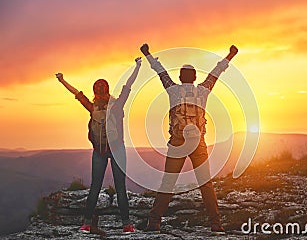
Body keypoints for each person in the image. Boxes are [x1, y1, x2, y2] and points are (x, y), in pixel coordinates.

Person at [140, 43, 238, 235]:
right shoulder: (203, 90)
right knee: (205, 184)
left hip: (177, 143)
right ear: (194, 78)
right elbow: (216, 73)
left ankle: (154, 222)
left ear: (180, 77)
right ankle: (216, 223)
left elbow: (160, 71)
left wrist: (148, 54)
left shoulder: (173, 90)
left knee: (168, 182)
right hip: (198, 143)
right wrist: (230, 55)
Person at [55, 57, 142, 235]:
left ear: (94, 92)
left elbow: (76, 93)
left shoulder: (92, 107)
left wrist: (62, 80)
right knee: (121, 188)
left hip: (99, 152)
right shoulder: (117, 105)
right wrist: (137, 66)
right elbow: (128, 86)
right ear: (108, 90)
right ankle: (127, 225)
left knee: (95, 187)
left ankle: (87, 224)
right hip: (118, 151)